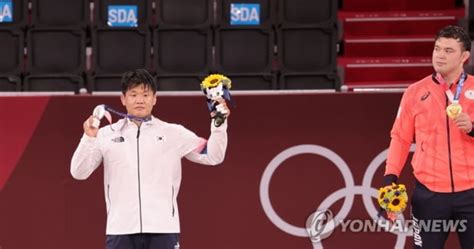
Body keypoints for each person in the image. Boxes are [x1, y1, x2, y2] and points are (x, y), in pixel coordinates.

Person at [71, 69, 230, 249]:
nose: (140, 100)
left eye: (145, 94)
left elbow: (213, 156)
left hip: (163, 229)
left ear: (154, 99)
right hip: (120, 229)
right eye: (133, 94)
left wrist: (219, 124)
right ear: (123, 99)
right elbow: (79, 172)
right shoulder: (106, 134)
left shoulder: (173, 133)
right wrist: (88, 138)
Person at [383, 25, 474, 249]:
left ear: (464, 56)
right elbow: (400, 138)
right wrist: (390, 178)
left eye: (448, 50)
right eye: (437, 48)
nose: (440, 55)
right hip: (429, 195)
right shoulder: (414, 92)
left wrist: (473, 128)